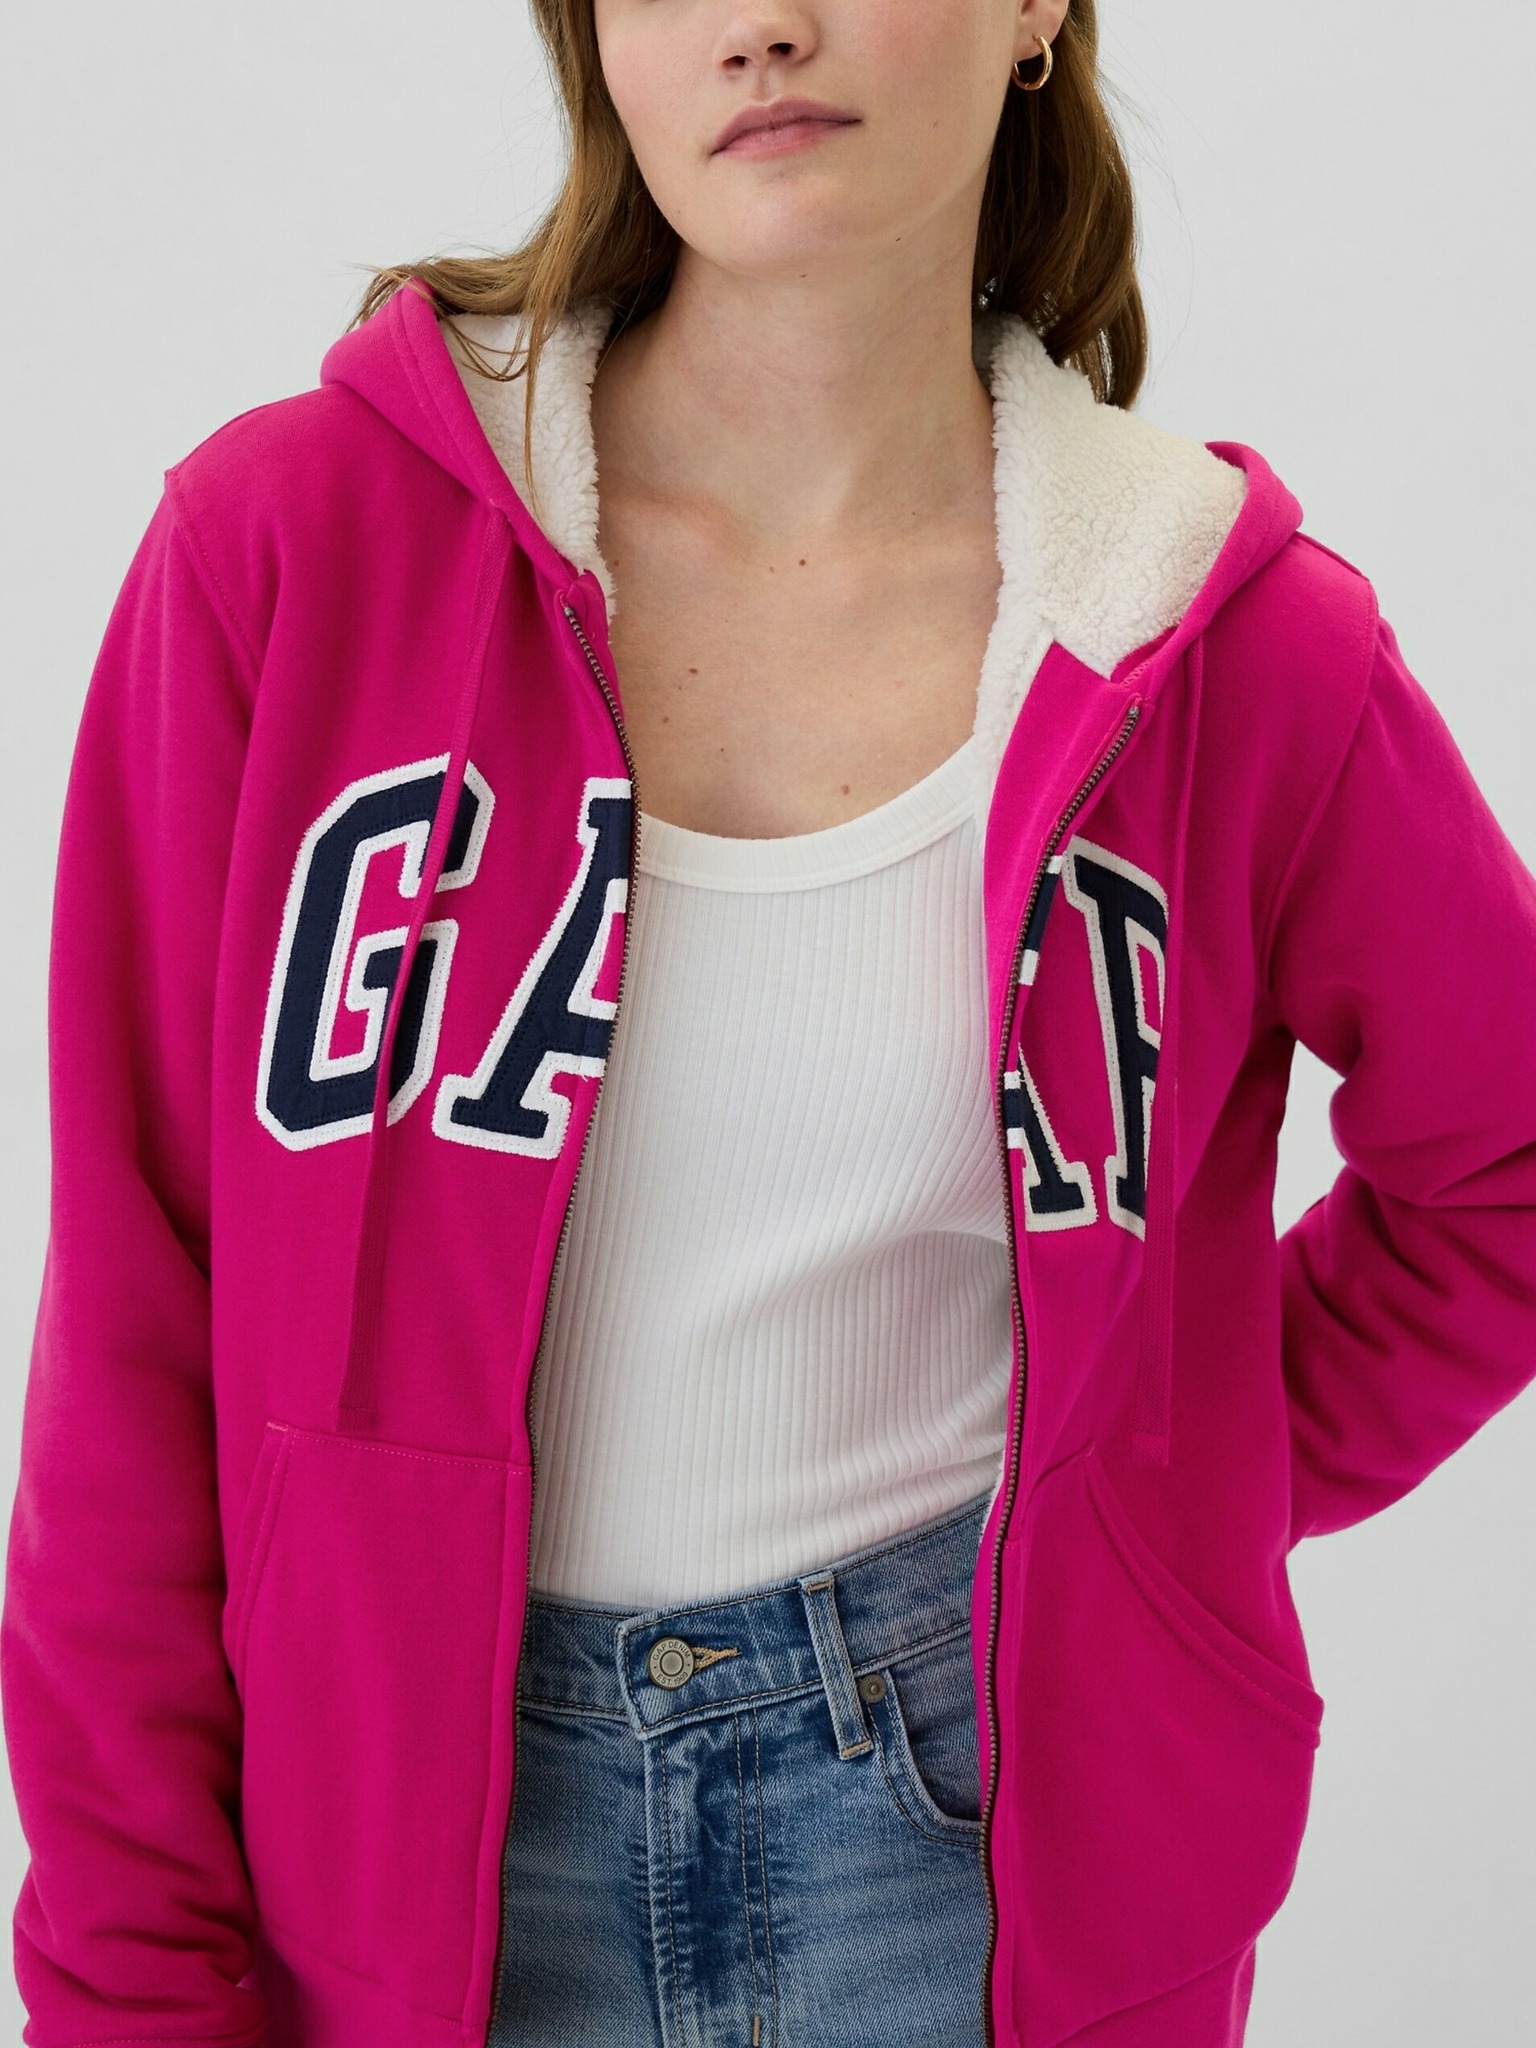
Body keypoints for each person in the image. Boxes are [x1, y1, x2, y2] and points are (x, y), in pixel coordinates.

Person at [6, 0, 1536, 2044]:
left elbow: (1505, 1160)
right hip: (385, 1861)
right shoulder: (289, 554)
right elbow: (135, 1329)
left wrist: (1160, 1508)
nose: (763, 25)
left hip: (976, 1868)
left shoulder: (1217, 641)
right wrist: (127, 1990)